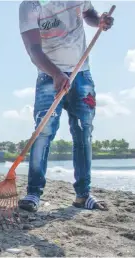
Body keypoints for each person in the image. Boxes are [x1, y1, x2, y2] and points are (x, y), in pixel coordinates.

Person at [18, 1, 114, 212]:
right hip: (48, 76)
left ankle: (83, 194)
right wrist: (55, 74)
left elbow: (88, 13)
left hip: (82, 74)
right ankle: (33, 192)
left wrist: (100, 21)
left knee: (83, 132)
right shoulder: (30, 6)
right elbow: (33, 49)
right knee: (43, 132)